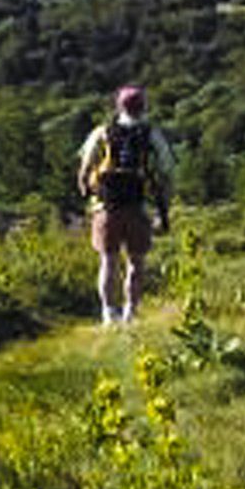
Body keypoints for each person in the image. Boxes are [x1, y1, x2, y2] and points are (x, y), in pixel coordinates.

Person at [76, 85, 175, 326]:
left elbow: (85, 166)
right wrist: (164, 203)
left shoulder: (102, 132)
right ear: (143, 107)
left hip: (106, 207)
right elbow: (167, 167)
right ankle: (131, 313)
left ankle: (109, 314)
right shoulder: (150, 133)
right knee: (136, 262)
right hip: (137, 206)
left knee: (108, 261)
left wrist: (87, 190)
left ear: (119, 106)